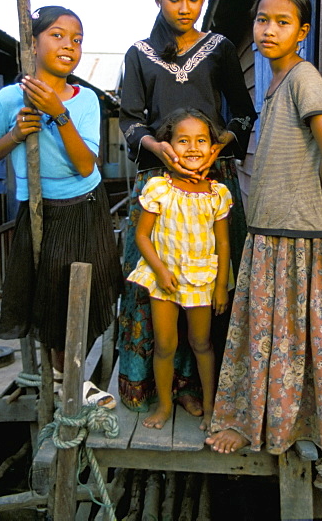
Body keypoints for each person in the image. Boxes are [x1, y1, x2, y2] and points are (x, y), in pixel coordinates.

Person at [205, 0, 322, 455]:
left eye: (282, 22)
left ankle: (275, 427)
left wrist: (313, 202)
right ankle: (258, 420)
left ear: (301, 33)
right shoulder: (276, 82)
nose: (268, 30)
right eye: (262, 20)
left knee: (280, 337)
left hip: (292, 231)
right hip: (270, 228)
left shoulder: (304, 78)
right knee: (264, 333)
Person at [118, 0, 257, 415]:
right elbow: (131, 122)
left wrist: (219, 149)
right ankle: (157, 390)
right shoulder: (139, 53)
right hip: (159, 183)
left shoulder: (217, 48)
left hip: (211, 184)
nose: (184, 7)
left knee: (211, 285)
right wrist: (159, 149)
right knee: (158, 284)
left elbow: (242, 112)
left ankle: (201, 388)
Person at [0, 6, 121, 407]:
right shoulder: (10, 97)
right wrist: (15, 135)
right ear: (33, 43)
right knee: (53, 292)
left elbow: (83, 163)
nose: (69, 46)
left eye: (77, 40)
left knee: (86, 290)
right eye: (57, 35)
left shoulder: (85, 100)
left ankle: (72, 375)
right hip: (41, 207)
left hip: (86, 202)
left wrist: (59, 115)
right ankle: (66, 378)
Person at [126, 108, 232, 431]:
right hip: (164, 281)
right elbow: (142, 236)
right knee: (165, 345)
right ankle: (164, 405)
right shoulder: (159, 188)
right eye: (183, 141)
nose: (193, 148)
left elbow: (224, 245)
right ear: (168, 146)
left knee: (201, 343)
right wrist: (159, 270)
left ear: (212, 147)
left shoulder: (217, 194)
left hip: (202, 280)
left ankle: (212, 407)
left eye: (201, 140)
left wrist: (220, 287)